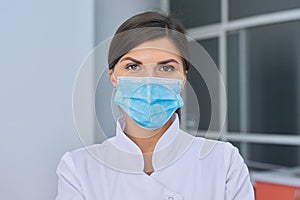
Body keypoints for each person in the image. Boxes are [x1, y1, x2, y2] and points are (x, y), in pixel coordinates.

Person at [56, 11, 254, 200]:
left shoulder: (223, 162)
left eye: (166, 67)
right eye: (133, 66)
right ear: (114, 78)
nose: (149, 81)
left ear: (183, 78)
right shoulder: (79, 169)